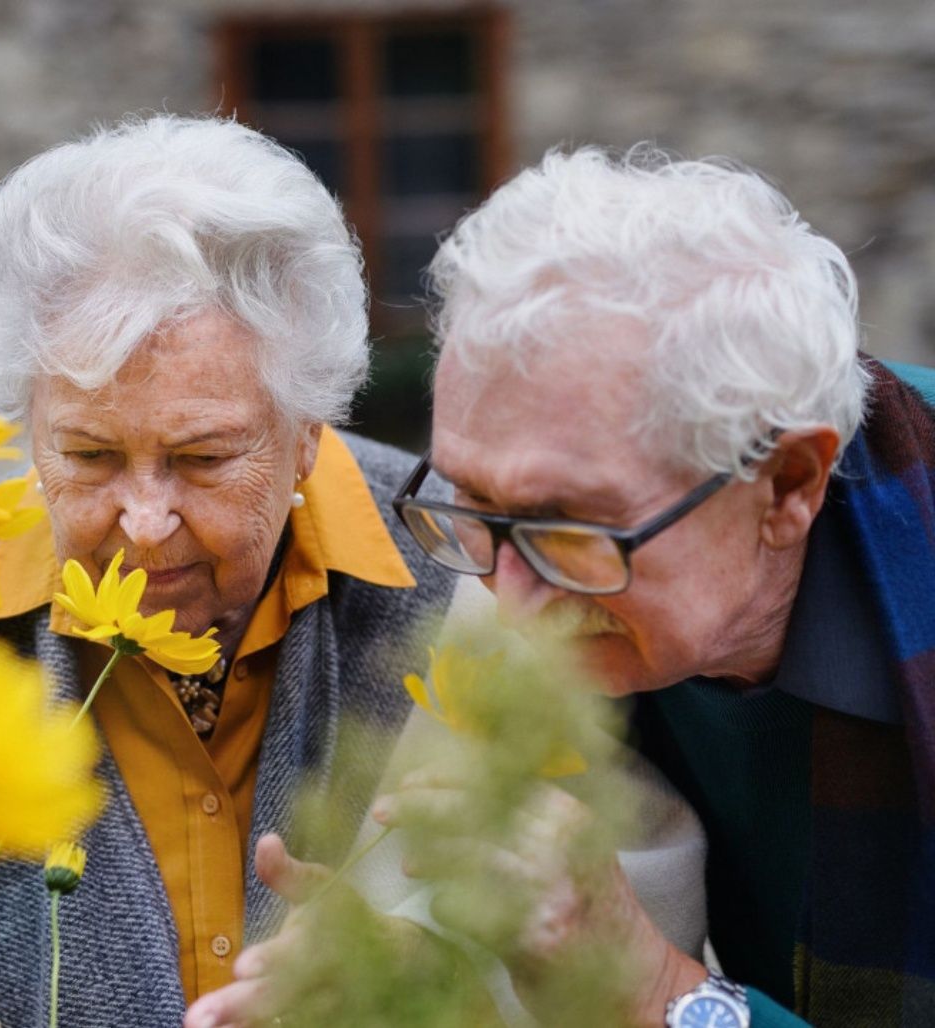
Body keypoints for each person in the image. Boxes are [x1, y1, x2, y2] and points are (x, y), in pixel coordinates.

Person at [0, 115, 456, 1026]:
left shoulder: (463, 583)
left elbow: (616, 960)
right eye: (87, 456)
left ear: (307, 432)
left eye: (203, 459)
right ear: (27, 427)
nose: (145, 525)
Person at [381, 146, 935, 1025]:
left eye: (574, 531)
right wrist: (393, 953)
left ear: (788, 484)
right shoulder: (531, 570)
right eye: (473, 502)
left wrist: (659, 994)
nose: (512, 607)